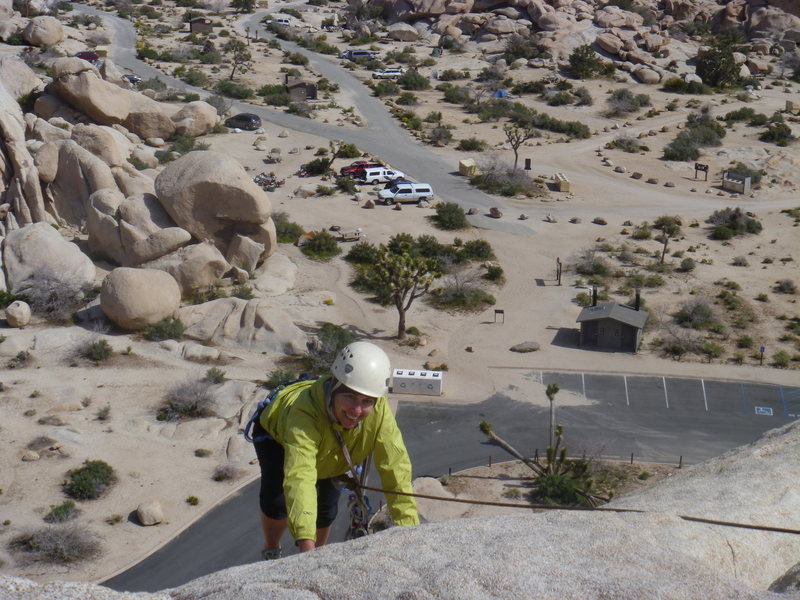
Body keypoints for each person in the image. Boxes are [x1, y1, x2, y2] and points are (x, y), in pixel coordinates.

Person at [251, 341, 419, 559]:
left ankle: (318, 554)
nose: (357, 410)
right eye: (349, 396)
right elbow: (300, 477)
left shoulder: (379, 413)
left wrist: (411, 530)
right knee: (277, 501)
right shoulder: (303, 413)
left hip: (333, 445)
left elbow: (396, 468)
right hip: (279, 439)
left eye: (366, 401)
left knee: (327, 509)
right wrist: (305, 547)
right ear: (335, 386)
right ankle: (272, 547)